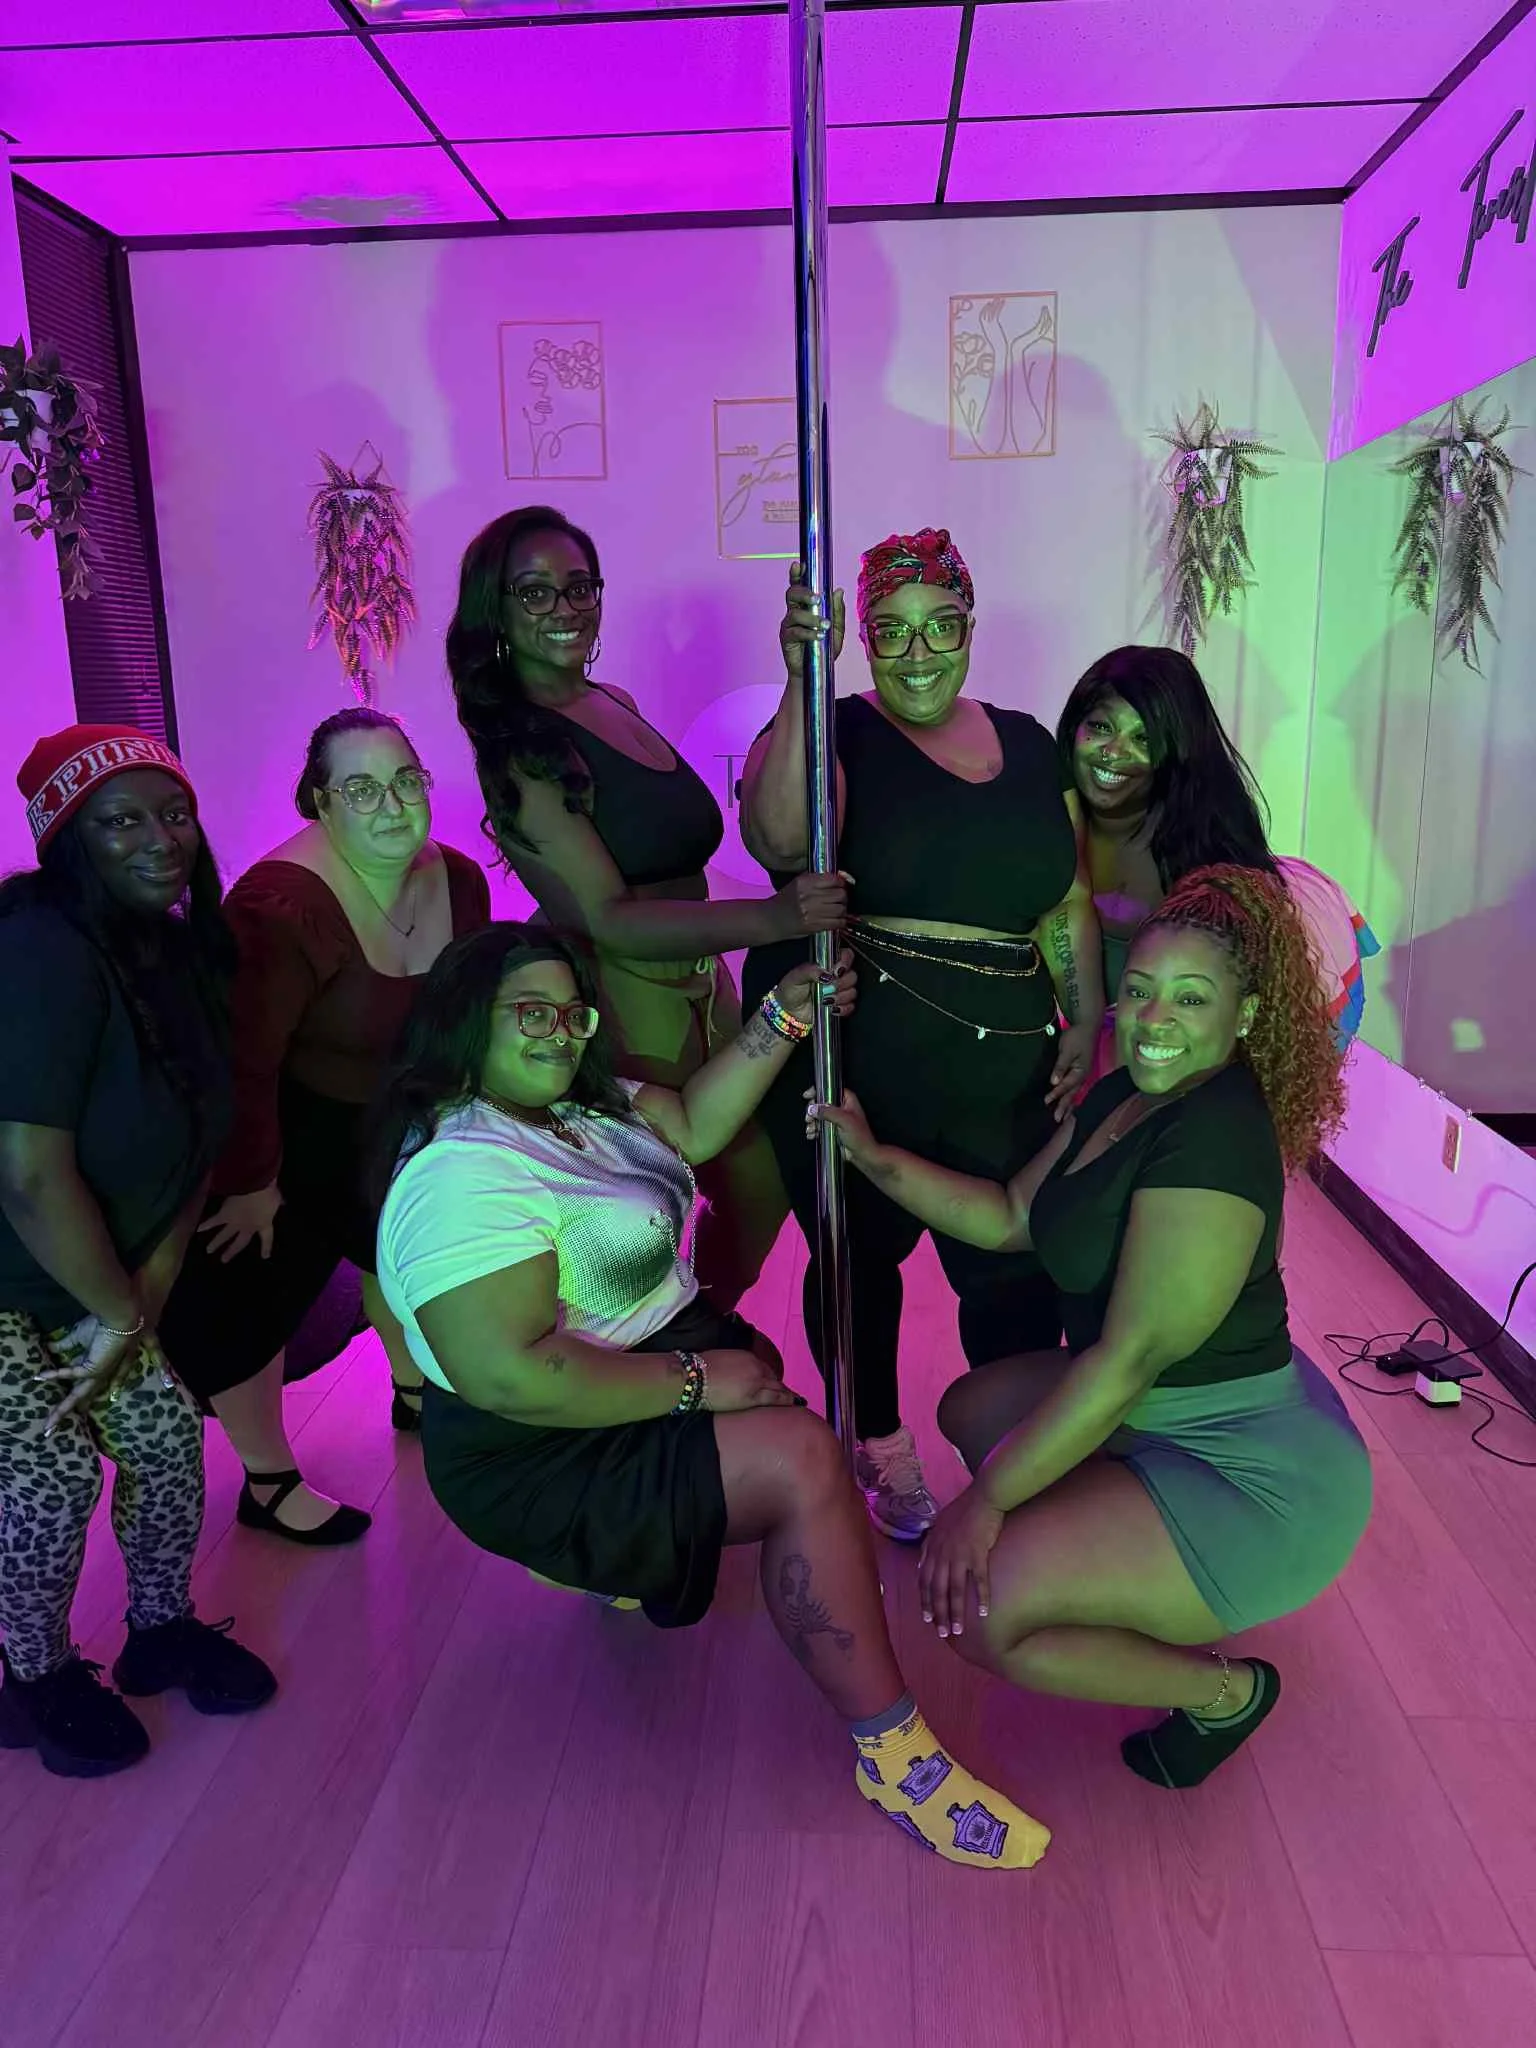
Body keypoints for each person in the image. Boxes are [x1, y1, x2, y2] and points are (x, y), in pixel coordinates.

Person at [370, 924, 1050, 1870]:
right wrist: (694, 1381)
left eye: (573, 1014)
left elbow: (691, 1120)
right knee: (806, 1459)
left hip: (636, 1357)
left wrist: (782, 1012)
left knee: (769, 1389)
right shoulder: (463, 1173)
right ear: (463, 1024)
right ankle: (896, 1757)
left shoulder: (573, 1109)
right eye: (530, 1013)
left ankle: (630, 1565)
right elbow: (508, 1376)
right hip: (537, 1441)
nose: (559, 1033)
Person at [813, 865, 1373, 1790]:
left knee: (982, 1617)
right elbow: (1006, 1215)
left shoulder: (1218, 1137)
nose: (1154, 1019)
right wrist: (874, 1158)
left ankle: (1221, 1692)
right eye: (1142, 991)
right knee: (972, 1408)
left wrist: (985, 1505)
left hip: (1257, 1478)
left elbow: (1129, 1358)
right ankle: (1100, 1548)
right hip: (1159, 1414)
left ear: (1245, 1016)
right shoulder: (1127, 1095)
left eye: (1191, 999)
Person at [738, 529, 1103, 1541]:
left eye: (942, 625)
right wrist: (803, 680)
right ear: (863, 637)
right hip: (863, 1050)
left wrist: (1086, 1012)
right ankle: (882, 1447)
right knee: (857, 1256)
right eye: (890, 631)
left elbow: (1064, 897)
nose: (919, 651)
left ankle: (1016, 1451)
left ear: (970, 625)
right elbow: (773, 841)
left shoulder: (1030, 742)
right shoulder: (839, 730)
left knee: (1013, 1257)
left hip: (1008, 1055)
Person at [448, 506, 846, 1313]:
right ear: (496, 608)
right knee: (658, 1202)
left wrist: (803, 676)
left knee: (758, 1187)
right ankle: (658, 1349)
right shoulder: (521, 751)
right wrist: (774, 920)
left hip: (700, 985)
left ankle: (695, 1326)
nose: (564, 607)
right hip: (622, 1000)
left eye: (578, 586)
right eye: (534, 593)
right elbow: (611, 917)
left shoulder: (612, 699)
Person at [0, 726, 275, 1778]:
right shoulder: (39, 951)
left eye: (174, 811)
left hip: (100, 1281)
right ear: (69, 839)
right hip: (13, 1281)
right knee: (50, 1476)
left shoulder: (174, 945)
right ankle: (35, 1676)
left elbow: (197, 1128)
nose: (162, 839)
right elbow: (29, 1173)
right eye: (121, 820)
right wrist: (115, 1314)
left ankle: (157, 1627)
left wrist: (143, 1297)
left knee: (166, 1438)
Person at [159, 710, 491, 1542]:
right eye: (361, 789)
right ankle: (266, 1481)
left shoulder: (458, 879)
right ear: (319, 802)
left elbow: (466, 1009)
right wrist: (252, 1183)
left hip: (404, 1113)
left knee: (417, 1241)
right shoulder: (280, 907)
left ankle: (417, 1391)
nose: (391, 805)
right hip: (286, 1126)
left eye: (407, 780)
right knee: (247, 1281)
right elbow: (241, 1064)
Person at [1058, 645, 1378, 1051]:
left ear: (1177, 751)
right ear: (1074, 729)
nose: (1114, 752)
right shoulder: (1046, 828)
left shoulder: (1215, 862)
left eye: (1143, 738)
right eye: (1101, 727)